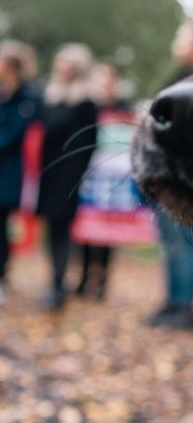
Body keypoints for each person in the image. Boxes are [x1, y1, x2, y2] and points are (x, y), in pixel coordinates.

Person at [148, 22, 193, 329]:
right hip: (167, 173)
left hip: (189, 177)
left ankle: (186, 306)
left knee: (184, 240)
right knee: (170, 241)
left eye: (182, 37)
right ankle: (172, 302)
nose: (177, 42)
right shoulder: (180, 77)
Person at [37, 44, 98, 310]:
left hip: (69, 176)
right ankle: (55, 279)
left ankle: (59, 284)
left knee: (63, 229)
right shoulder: (51, 97)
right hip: (48, 174)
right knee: (52, 229)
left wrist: (75, 176)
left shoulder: (86, 103)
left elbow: (87, 144)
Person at [75, 63, 125, 299]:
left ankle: (102, 280)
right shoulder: (85, 105)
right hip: (89, 174)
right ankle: (84, 276)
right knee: (86, 226)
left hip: (112, 178)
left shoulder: (122, 108)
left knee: (107, 231)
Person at [0, 45, 39, 305]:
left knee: (2, 227)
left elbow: (15, 135)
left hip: (10, 174)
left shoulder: (28, 99)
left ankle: (2, 276)